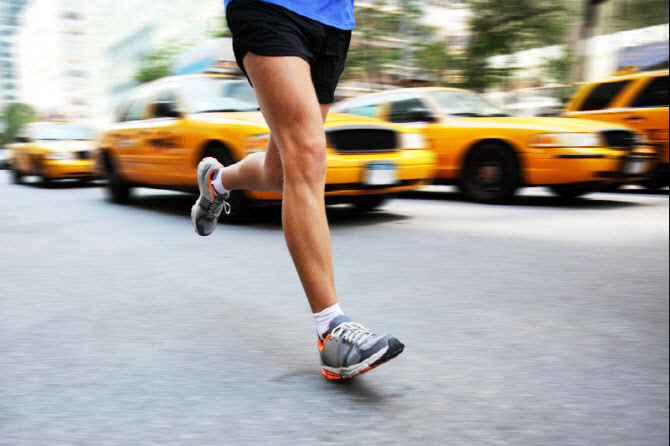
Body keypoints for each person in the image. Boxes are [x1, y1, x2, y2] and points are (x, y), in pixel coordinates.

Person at [191, 0, 404, 379]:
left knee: (280, 172)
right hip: (270, 9)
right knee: (307, 154)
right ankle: (331, 330)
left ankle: (216, 181)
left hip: (334, 21)